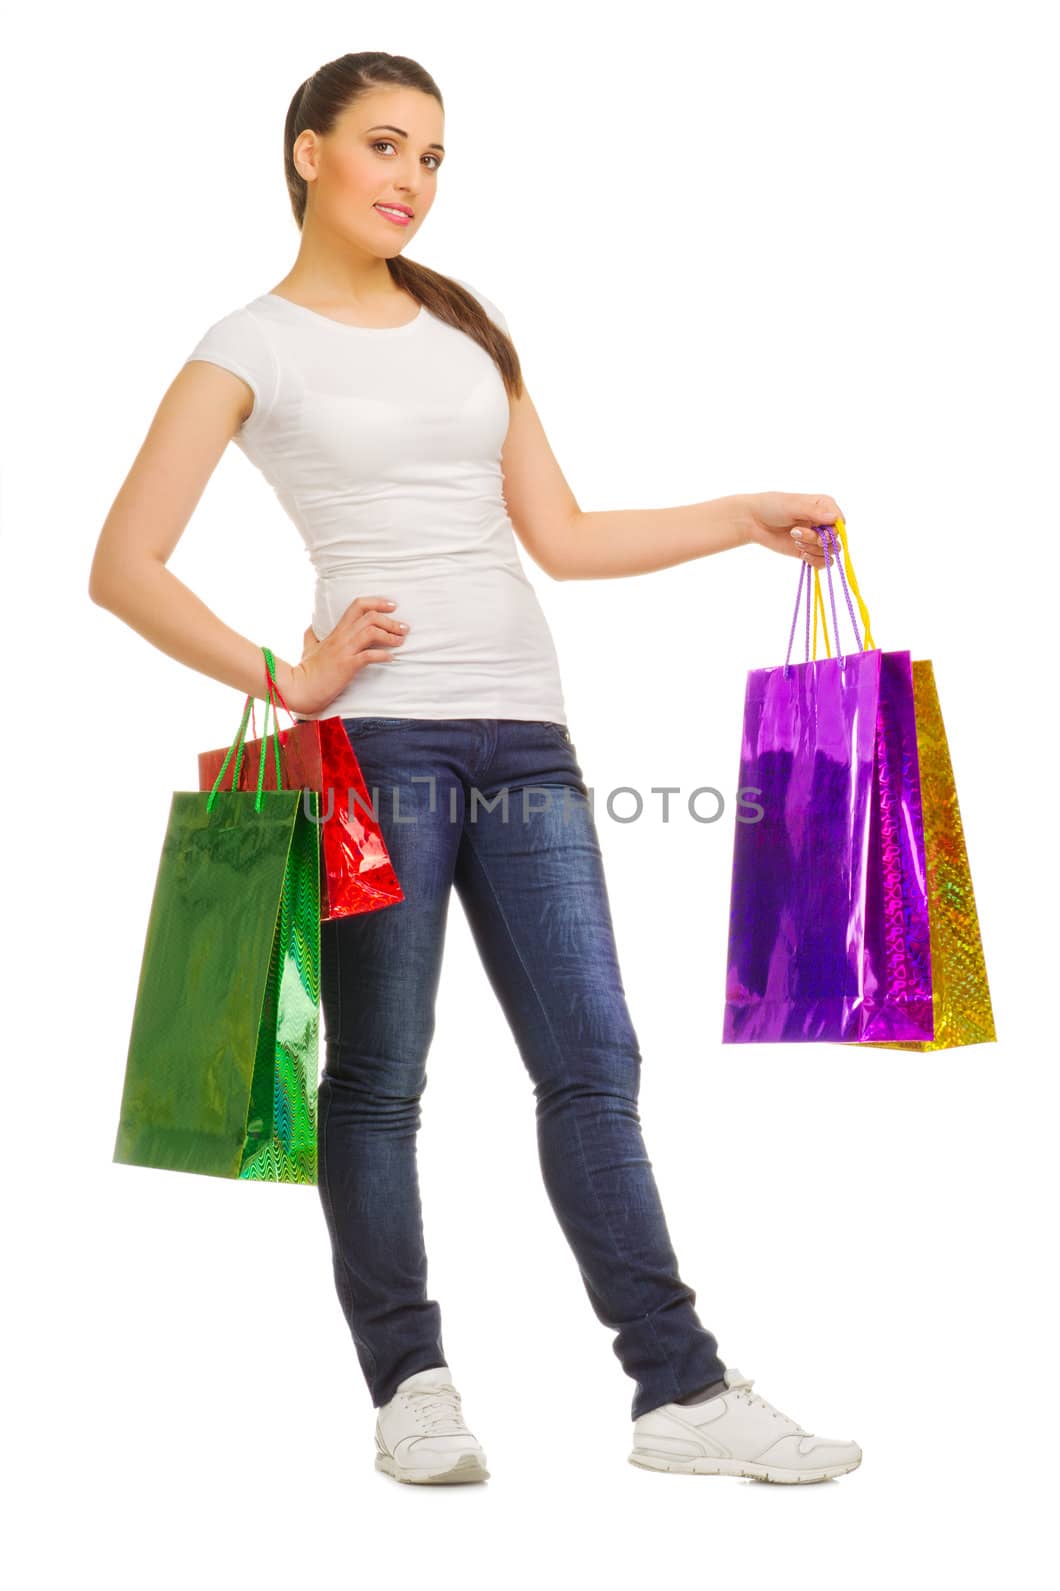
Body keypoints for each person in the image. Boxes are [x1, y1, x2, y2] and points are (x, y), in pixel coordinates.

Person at [89, 50, 862, 1488]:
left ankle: (679, 1394)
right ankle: (413, 1387)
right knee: (379, 1080)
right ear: (308, 152)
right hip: (378, 743)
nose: (412, 181)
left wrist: (735, 516)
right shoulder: (246, 345)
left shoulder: (466, 323)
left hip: (529, 729)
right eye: (386, 147)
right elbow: (122, 567)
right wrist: (289, 677)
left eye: (435, 158)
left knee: (596, 1060)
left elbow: (558, 536)